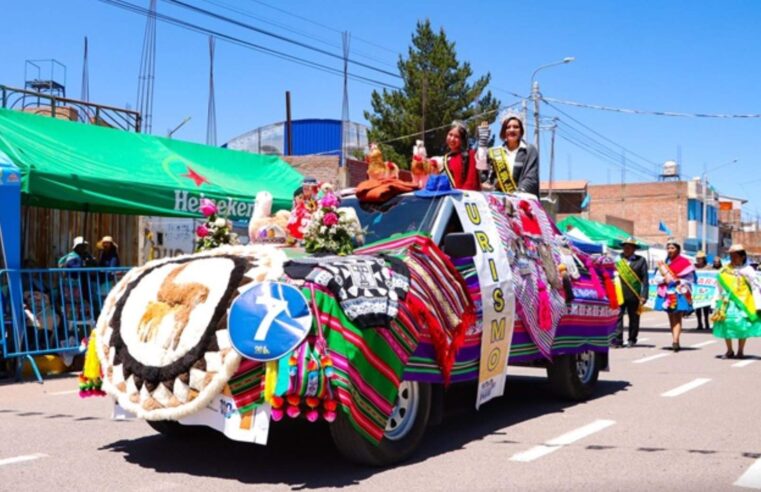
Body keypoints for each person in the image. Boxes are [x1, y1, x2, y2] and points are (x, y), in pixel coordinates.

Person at [712, 244, 761, 359]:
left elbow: (755, 287)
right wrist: (715, 301)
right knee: (726, 324)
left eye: (735, 256)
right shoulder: (724, 270)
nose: (733, 258)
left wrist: (758, 303)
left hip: (743, 302)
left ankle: (740, 351)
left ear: (742, 257)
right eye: (731, 256)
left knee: (742, 325)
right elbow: (719, 287)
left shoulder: (748, 270)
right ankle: (729, 350)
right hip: (726, 302)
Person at [479, 114, 540, 196]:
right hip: (499, 201)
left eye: (516, 127)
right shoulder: (495, 152)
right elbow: (482, 176)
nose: (512, 130)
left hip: (522, 202)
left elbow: (531, 178)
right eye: (508, 127)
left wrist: (517, 194)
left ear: (521, 131)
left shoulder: (529, 150)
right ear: (504, 131)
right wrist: (483, 143)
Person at [653, 239, 696, 352]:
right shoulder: (664, 264)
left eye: (672, 248)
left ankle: (676, 341)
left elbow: (690, 278)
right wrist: (664, 279)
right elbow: (656, 278)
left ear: (678, 249)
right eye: (668, 248)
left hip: (679, 292)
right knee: (671, 317)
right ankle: (674, 339)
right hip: (667, 293)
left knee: (677, 316)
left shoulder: (685, 262)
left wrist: (678, 281)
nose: (670, 250)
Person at [614, 237, 649, 347]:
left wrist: (644, 295)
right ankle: (618, 340)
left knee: (634, 318)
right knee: (617, 317)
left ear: (634, 249)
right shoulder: (617, 259)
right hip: (619, 293)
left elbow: (645, 279)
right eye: (625, 246)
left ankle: (632, 339)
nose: (626, 248)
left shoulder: (640, 260)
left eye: (629, 246)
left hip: (634, 294)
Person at [441, 121, 481, 191]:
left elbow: (472, 183)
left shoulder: (471, 154)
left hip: (465, 198)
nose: (452, 139)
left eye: (457, 137)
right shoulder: (445, 158)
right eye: (450, 134)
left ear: (462, 140)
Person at [694, 251, 712, 331]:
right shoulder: (694, 267)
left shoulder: (708, 267)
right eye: (697, 258)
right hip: (696, 290)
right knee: (697, 308)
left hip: (706, 290)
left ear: (703, 259)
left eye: (700, 258)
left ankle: (706, 322)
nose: (698, 260)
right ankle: (699, 323)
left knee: (705, 308)